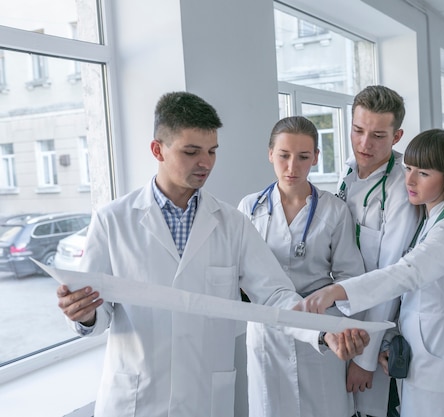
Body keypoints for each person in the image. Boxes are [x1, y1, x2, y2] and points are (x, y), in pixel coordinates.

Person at [55, 91, 370, 417]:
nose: (205, 163)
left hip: (204, 395)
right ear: (157, 149)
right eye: (191, 152)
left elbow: (275, 294)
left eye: (212, 151)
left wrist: (322, 332)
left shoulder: (231, 223)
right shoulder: (113, 220)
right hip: (137, 396)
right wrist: (84, 314)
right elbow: (97, 310)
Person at [297, 129, 444, 417]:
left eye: (424, 173)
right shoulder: (429, 221)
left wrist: (337, 290)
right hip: (419, 355)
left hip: (441, 358)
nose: (409, 180)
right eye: (407, 169)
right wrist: (391, 344)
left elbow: (405, 274)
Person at [237, 116, 366, 417]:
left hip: (321, 333)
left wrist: (327, 308)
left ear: (316, 158)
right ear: (270, 153)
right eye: (283, 155)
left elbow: (351, 277)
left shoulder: (334, 210)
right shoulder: (248, 208)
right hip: (268, 333)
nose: (292, 167)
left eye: (303, 157)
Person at [337, 85, 419, 417]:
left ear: (397, 136)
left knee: (374, 411)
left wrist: (365, 359)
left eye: (377, 136)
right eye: (358, 131)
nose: (364, 144)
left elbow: (391, 279)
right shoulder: (348, 170)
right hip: (345, 322)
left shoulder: (402, 188)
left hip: (376, 333)